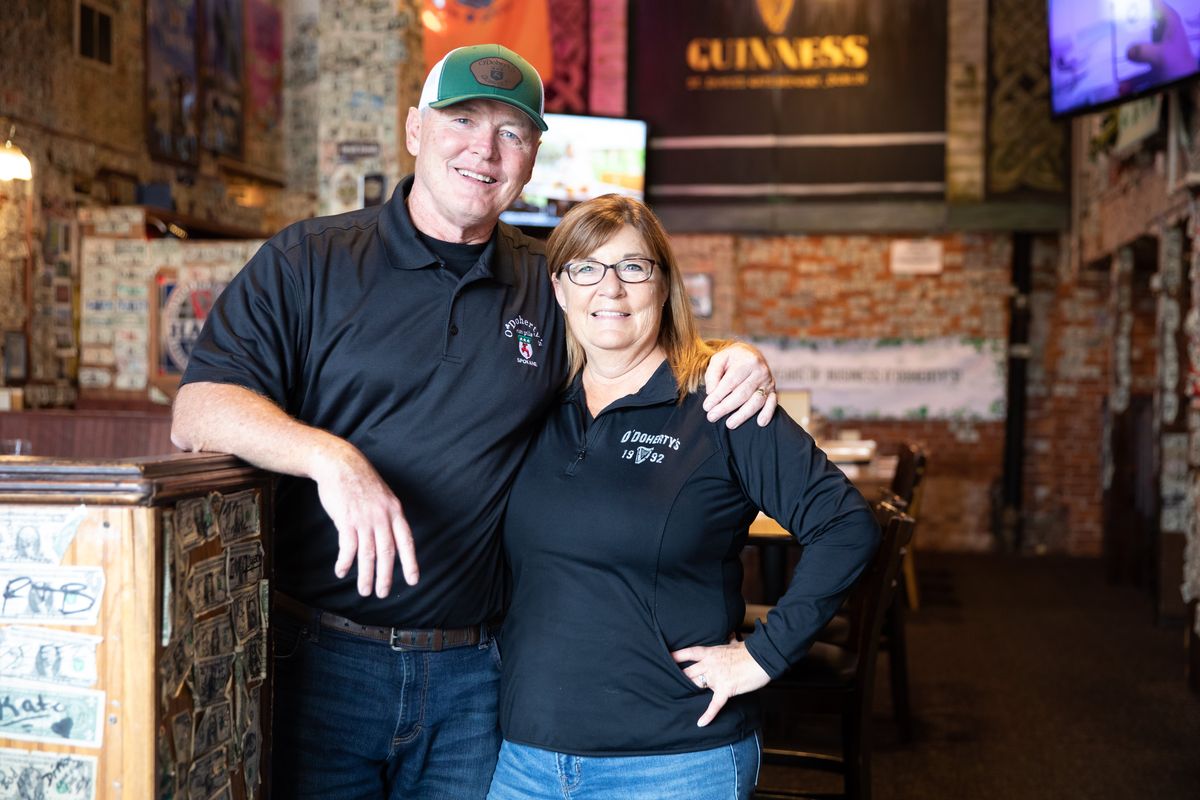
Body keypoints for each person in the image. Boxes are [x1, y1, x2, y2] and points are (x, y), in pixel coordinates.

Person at [171, 44, 777, 798]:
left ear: (530, 159)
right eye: (463, 120)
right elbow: (198, 409)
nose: (484, 149)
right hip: (322, 659)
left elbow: (637, 334)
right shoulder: (311, 261)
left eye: (512, 133)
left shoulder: (545, 283)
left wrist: (733, 354)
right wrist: (333, 459)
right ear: (415, 130)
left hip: (477, 674)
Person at [488, 195, 880, 800]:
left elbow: (846, 525)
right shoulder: (533, 403)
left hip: (672, 762)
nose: (610, 289)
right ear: (560, 289)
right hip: (525, 756)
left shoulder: (720, 403)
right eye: (585, 269)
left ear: (664, 284)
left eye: (633, 267)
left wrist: (762, 656)